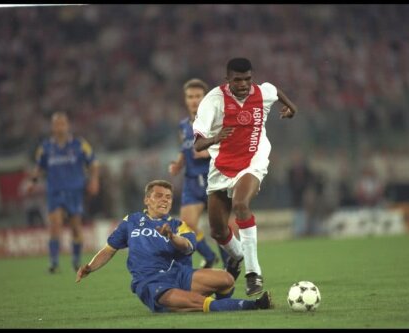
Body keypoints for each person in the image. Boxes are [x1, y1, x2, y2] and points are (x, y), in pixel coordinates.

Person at [75, 180, 273, 313]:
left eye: (168, 197)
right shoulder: (131, 221)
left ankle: (215, 300)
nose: (164, 200)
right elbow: (109, 249)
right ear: (147, 200)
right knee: (198, 303)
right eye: (158, 195)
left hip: (179, 275)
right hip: (150, 283)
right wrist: (90, 267)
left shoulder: (179, 225)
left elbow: (187, 247)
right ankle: (253, 305)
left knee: (227, 279)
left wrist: (171, 236)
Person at [193, 57, 298, 296]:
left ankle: (253, 274)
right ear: (227, 80)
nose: (243, 84)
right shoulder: (212, 101)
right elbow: (198, 144)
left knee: (241, 204)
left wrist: (292, 108)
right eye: (237, 80)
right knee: (218, 231)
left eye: (248, 79)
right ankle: (239, 257)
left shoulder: (262, 92)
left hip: (253, 159)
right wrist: (215, 138)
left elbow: (276, 90)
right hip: (221, 165)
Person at [26, 111, 100, 273]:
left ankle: (76, 261)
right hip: (54, 191)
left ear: (68, 125)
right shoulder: (45, 147)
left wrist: (94, 180)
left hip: (75, 190)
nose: (60, 126)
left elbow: (93, 163)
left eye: (62, 123)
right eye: (56, 124)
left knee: (75, 227)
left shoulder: (79, 144)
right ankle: (53, 263)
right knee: (55, 224)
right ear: (52, 127)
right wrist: (32, 181)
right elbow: (39, 166)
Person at [168, 78, 229, 269]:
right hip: (192, 181)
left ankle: (229, 266)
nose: (194, 100)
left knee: (219, 228)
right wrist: (178, 163)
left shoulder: (215, 121)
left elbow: (228, 147)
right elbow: (185, 147)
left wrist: (208, 151)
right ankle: (209, 257)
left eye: (198, 96)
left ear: (205, 98)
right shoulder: (183, 125)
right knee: (187, 224)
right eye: (190, 96)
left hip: (213, 178)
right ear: (185, 99)